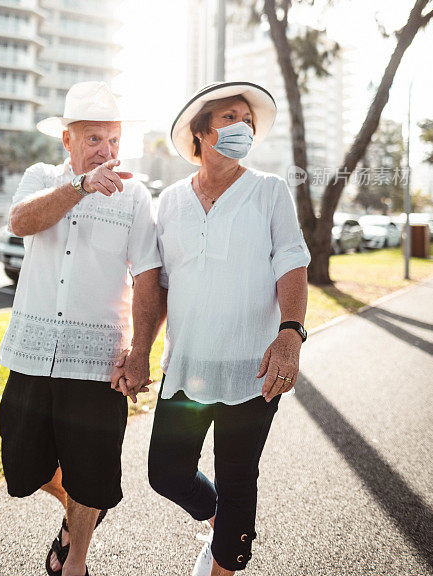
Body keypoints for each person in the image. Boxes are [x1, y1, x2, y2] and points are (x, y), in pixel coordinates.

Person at [144, 81, 311, 576]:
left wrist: (290, 334)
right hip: (187, 367)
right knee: (165, 472)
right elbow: (162, 284)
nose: (241, 128)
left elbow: (292, 263)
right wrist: (141, 350)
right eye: (229, 118)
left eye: (247, 121)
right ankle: (223, 526)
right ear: (200, 132)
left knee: (239, 479)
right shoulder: (170, 201)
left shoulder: (269, 191)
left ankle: (224, 562)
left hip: (250, 366)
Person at [0, 81, 162, 576]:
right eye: (94, 139)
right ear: (67, 140)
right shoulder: (41, 176)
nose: (107, 151)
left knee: (92, 475)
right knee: (23, 463)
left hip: (97, 361)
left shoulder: (134, 196)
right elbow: (21, 222)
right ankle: (78, 512)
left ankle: (76, 559)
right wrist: (80, 187)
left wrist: (140, 352)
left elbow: (149, 276)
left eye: (113, 140)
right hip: (31, 352)